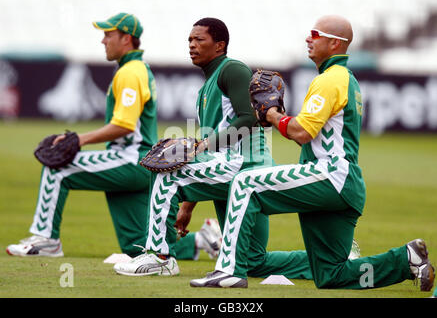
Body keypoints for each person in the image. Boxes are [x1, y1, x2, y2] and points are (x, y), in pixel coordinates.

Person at [190, 15, 435, 290]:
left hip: (329, 175)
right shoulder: (344, 79)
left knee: (245, 182)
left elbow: (301, 133)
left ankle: (230, 270)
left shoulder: (331, 80)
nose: (308, 38)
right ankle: (406, 259)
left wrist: (271, 115)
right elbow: (307, 133)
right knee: (332, 274)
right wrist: (280, 117)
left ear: (334, 43)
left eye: (315, 34)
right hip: (345, 185)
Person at [113, 17, 315, 278]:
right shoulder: (205, 89)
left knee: (166, 172)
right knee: (253, 261)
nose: (192, 45)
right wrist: (187, 205)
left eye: (199, 39)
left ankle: (160, 256)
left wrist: (203, 144)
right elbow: (208, 152)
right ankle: (330, 260)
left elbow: (249, 118)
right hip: (230, 171)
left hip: (244, 166)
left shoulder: (232, 70)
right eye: (190, 40)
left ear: (219, 45)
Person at [6, 13, 159, 258]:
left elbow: (125, 126)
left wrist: (79, 139)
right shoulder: (136, 69)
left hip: (131, 159)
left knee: (58, 168)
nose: (103, 41)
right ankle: (201, 241)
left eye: (108, 35)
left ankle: (47, 240)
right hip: (140, 163)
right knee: (138, 245)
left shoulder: (131, 72)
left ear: (126, 39)